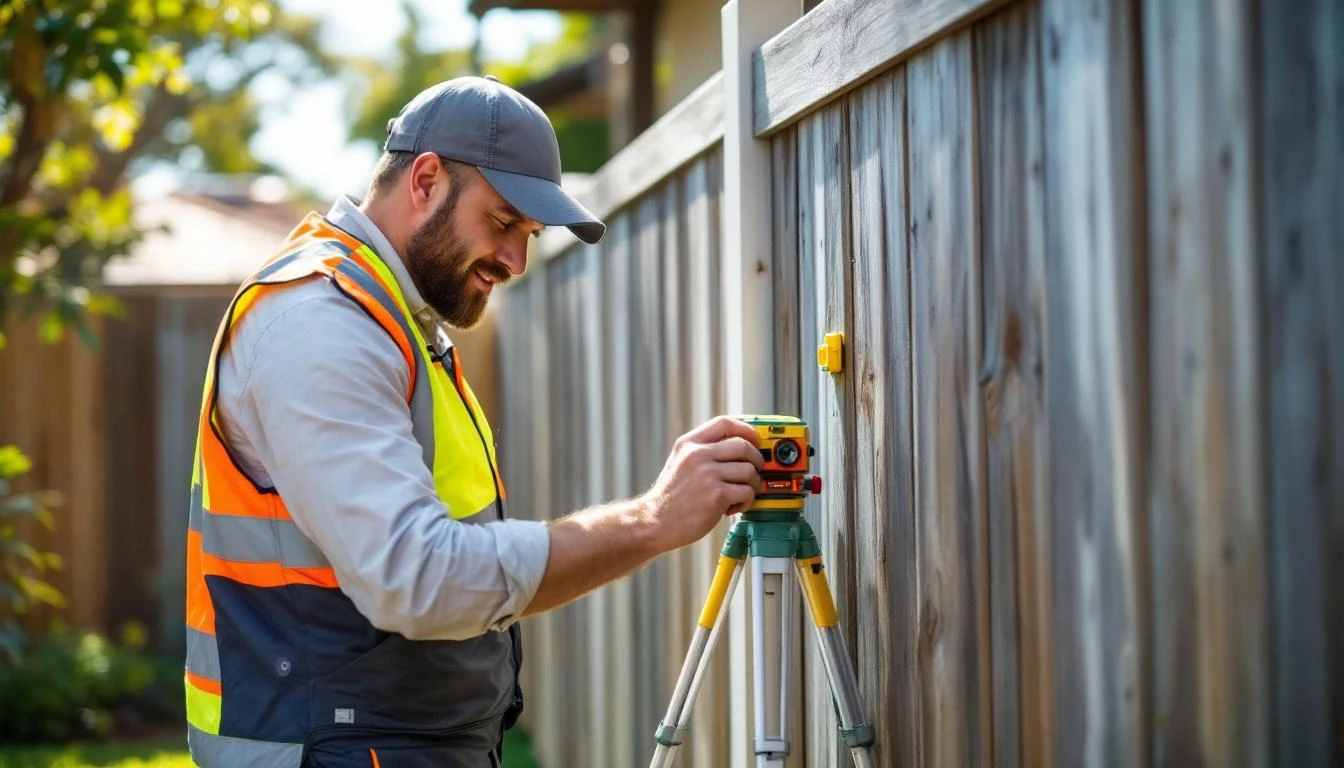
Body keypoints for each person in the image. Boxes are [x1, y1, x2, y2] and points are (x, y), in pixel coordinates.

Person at [182, 75, 763, 768]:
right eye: (502, 222)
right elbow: (416, 577)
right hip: (332, 750)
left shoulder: (392, 317)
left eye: (529, 233)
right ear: (425, 179)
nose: (517, 260)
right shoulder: (320, 325)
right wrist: (650, 521)